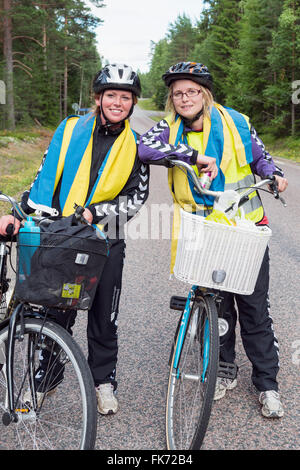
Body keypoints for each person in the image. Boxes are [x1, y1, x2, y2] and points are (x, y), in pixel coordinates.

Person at [138, 61, 288, 418]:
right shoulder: (169, 128)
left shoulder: (236, 121)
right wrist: (193, 156)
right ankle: (224, 370)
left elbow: (260, 158)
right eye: (178, 93)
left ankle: (267, 384)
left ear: (204, 93)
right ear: (171, 99)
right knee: (217, 308)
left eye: (191, 91)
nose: (184, 98)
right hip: (203, 232)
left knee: (253, 309)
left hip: (244, 226)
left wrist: (275, 174)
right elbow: (145, 149)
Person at [0, 63, 149, 415]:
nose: (117, 102)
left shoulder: (138, 146)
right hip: (60, 235)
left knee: (103, 316)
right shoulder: (69, 129)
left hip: (104, 240)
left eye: (124, 97)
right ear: (98, 98)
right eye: (110, 95)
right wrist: (18, 214)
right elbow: (43, 176)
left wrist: (95, 212)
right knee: (55, 309)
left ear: (132, 103)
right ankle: (43, 381)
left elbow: (136, 198)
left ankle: (103, 382)